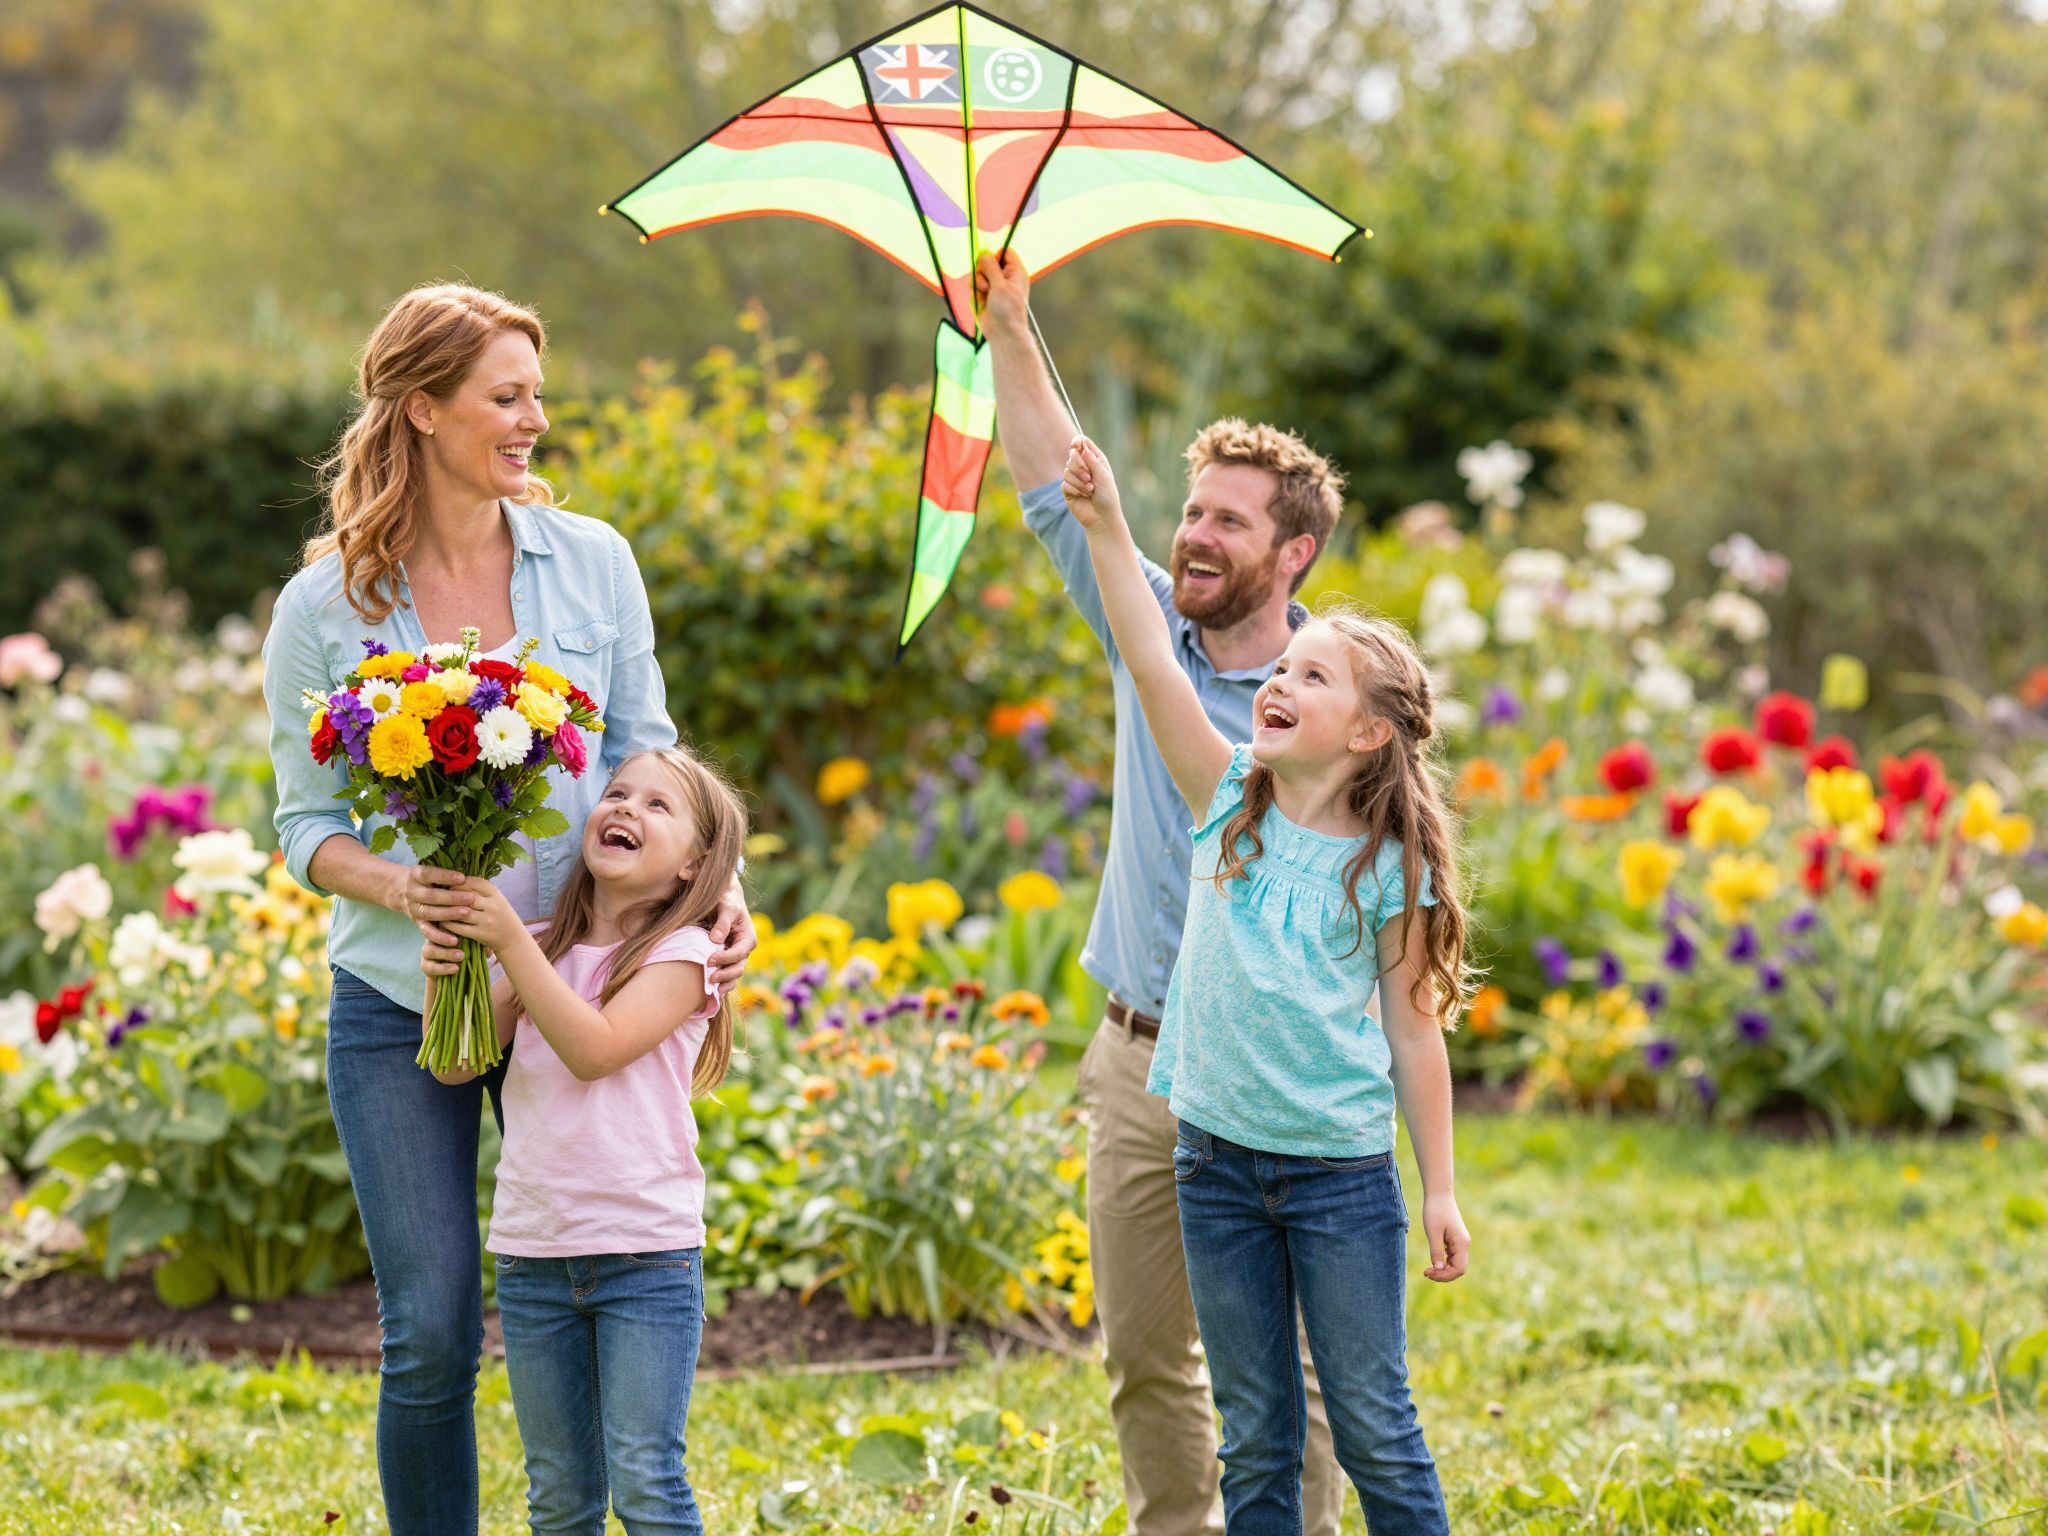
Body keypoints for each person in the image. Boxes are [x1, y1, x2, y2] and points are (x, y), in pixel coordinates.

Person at [259, 283, 756, 1535]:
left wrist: (723, 886)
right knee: (427, 1330)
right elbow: (304, 824)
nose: (536, 417)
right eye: (507, 395)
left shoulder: (593, 563)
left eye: (536, 391)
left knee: (583, 1288)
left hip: (575, 985)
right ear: (423, 408)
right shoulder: (322, 611)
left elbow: (652, 747)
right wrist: (401, 887)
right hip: (397, 999)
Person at [976, 250, 1351, 1535]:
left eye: (1227, 519)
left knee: (1289, 1380)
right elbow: (1045, 480)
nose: (1192, 533)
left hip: (1271, 1070)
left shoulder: (1341, 705)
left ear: (1291, 551)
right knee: (1143, 1360)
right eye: (1189, 510)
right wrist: (1011, 326)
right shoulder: (1148, 623)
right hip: (1138, 1060)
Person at [1062, 435, 1470, 1536]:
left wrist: (1435, 1187)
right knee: (1254, 1434)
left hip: (1337, 1179)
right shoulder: (1221, 803)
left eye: (1310, 677)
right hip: (1212, 1167)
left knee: (1374, 1423)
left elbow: (1416, 1032)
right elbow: (1152, 661)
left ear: (1368, 731)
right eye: (1280, 673)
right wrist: (1106, 529)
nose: (1277, 684)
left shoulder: (1392, 864)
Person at [423, 746, 744, 1535]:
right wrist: (444, 970)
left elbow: (594, 1048)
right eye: (618, 793)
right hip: (535, 1255)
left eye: (657, 806)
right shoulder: (538, 943)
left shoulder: (682, 955)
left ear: (694, 867)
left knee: (646, 1481)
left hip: (645, 1256)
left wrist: (511, 947)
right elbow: (458, 1064)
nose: (626, 808)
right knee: (559, 1497)